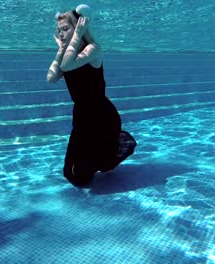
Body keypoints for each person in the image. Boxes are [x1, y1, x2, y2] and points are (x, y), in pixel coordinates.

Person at [47, 4, 137, 187]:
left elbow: (65, 66)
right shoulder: (67, 55)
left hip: (101, 116)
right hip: (82, 116)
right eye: (59, 31)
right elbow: (51, 77)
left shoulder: (93, 49)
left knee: (100, 166)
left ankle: (111, 156)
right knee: (73, 176)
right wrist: (60, 48)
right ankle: (104, 155)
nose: (61, 34)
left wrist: (79, 34)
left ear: (79, 26)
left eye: (65, 29)